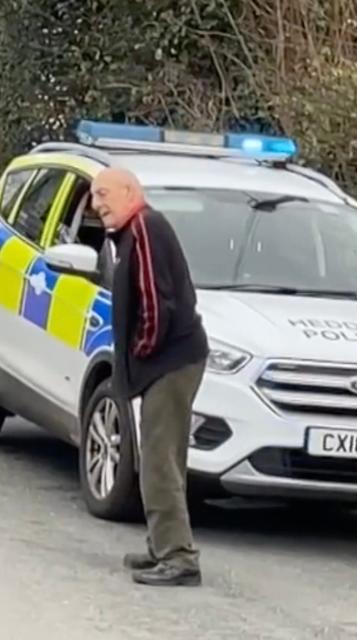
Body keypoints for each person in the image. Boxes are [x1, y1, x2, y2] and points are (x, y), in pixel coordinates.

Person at [90, 167, 209, 587]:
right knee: (163, 455)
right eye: (93, 196)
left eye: (103, 193)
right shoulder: (133, 231)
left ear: (129, 192)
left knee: (159, 459)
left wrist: (143, 353)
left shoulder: (143, 229)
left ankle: (179, 557)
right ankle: (163, 546)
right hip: (171, 360)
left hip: (170, 362)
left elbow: (158, 304)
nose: (95, 204)